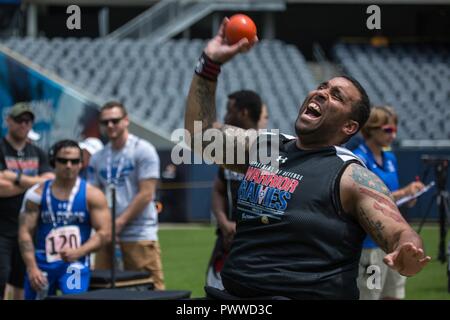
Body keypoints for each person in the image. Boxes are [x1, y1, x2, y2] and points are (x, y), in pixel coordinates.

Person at [185, 18, 431, 299]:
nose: (321, 93)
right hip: (234, 297)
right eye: (322, 87)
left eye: (336, 95)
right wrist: (209, 64)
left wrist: (407, 248)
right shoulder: (265, 146)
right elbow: (199, 135)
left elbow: (398, 231)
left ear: (349, 127)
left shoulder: (350, 176)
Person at [18, 139, 111, 299]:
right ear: (54, 162)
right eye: (63, 160)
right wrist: (31, 267)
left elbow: (105, 233)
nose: (69, 165)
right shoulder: (36, 194)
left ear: (81, 164)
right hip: (42, 262)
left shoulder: (93, 195)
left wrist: (80, 251)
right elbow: (25, 232)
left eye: (74, 161)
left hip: (75, 263)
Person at [88, 101, 165, 290]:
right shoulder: (98, 157)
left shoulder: (143, 149)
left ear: (126, 120)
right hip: (107, 235)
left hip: (138, 233)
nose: (110, 126)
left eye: (115, 120)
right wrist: (107, 228)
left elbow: (146, 193)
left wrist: (118, 224)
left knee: (150, 291)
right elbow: (93, 195)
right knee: (102, 290)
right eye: (105, 122)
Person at [353, 106, 424, 300]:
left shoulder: (390, 158)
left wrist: (407, 198)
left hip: (393, 244)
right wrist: (403, 192)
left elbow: (391, 200)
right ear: (371, 129)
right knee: (369, 296)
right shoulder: (358, 159)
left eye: (395, 130)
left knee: (394, 295)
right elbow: (365, 200)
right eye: (388, 130)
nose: (393, 135)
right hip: (369, 246)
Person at [206, 90, 263, 289]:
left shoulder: (270, 150)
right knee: (214, 290)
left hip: (257, 246)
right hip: (226, 240)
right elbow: (218, 190)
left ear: (244, 113)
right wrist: (223, 222)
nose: (225, 117)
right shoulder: (228, 153)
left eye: (229, 111)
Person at [0, 102, 54, 300]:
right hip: (2, 228)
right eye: (19, 120)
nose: (24, 125)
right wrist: (34, 183)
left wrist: (13, 177)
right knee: (1, 277)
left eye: (28, 121)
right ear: (8, 121)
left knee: (24, 280)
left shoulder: (37, 152)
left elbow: (49, 183)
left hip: (30, 227)